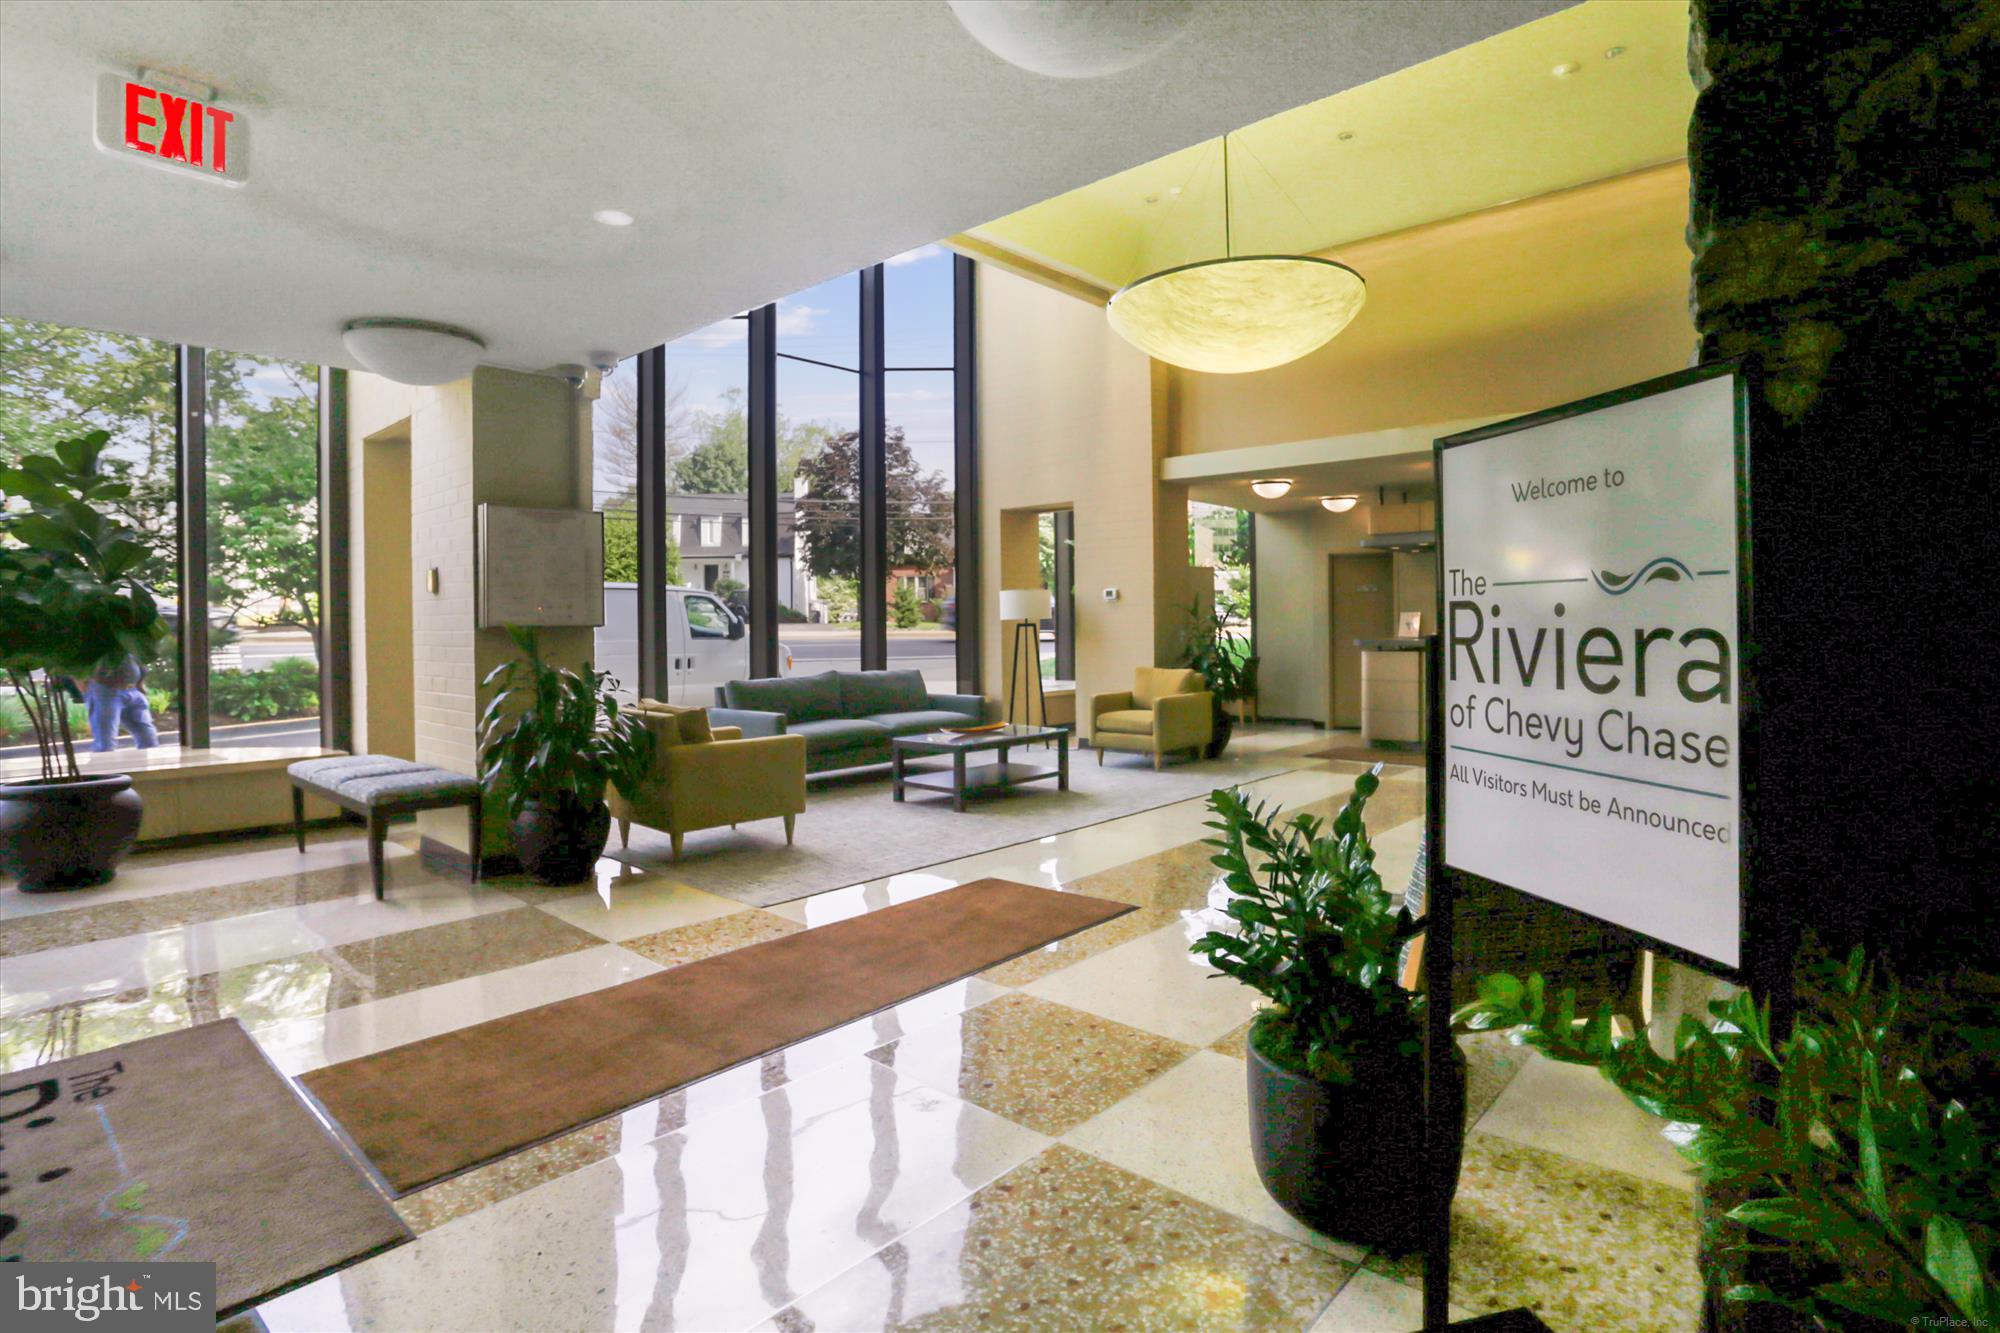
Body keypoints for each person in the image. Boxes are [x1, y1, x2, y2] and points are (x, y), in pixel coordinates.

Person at [84, 656, 158, 752]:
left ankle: (149, 766)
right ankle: (104, 766)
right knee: (105, 744)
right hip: (106, 691)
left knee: (148, 738)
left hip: (134, 689)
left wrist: (140, 682)